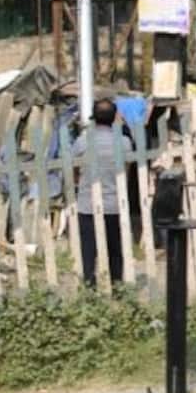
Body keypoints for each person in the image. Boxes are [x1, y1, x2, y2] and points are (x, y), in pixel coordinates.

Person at [76, 98, 133, 289]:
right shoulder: (124, 143)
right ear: (114, 118)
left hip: (87, 204)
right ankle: (117, 285)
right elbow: (127, 170)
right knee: (115, 250)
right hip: (115, 204)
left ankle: (89, 287)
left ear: (93, 118)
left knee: (88, 250)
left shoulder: (83, 141)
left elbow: (74, 171)